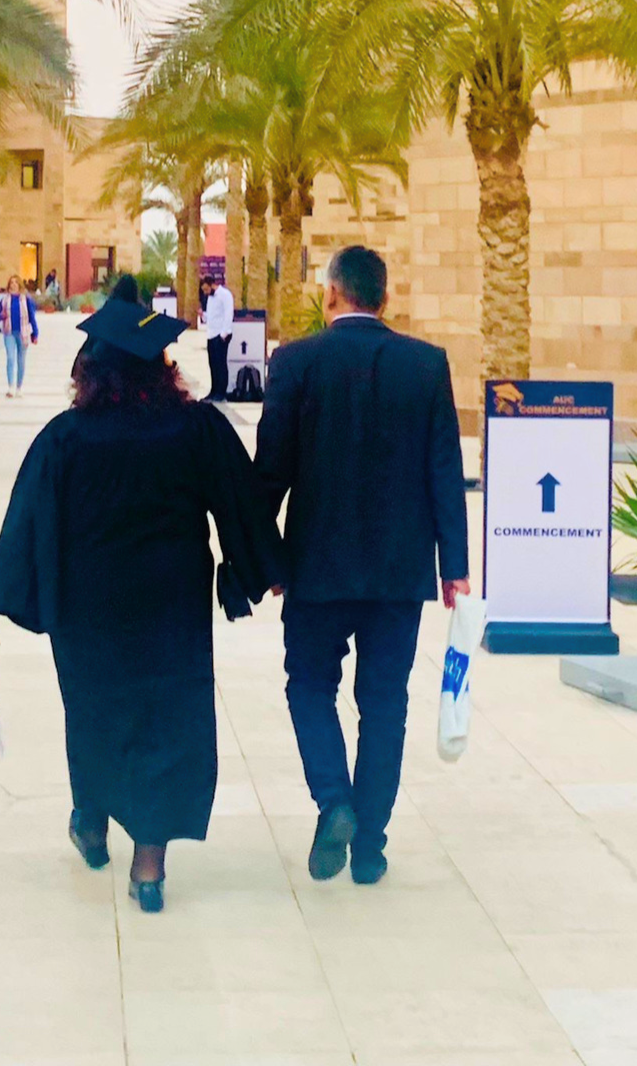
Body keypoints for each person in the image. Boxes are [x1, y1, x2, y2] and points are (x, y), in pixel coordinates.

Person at [0, 299, 285, 914]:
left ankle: (90, 820)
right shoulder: (197, 429)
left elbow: (24, 521)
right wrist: (268, 569)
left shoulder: (65, 437)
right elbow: (239, 501)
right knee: (166, 720)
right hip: (171, 605)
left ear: (92, 369)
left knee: (95, 714)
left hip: (91, 610)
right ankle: (148, 864)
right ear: (160, 368)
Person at [255, 246, 469, 886]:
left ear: (330, 296)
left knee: (308, 686)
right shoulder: (426, 365)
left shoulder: (295, 362)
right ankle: (370, 845)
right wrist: (453, 566)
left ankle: (334, 803)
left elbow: (272, 472)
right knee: (384, 705)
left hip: (316, 568)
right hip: (400, 573)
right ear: (383, 298)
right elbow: (444, 471)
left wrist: (261, 556)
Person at [0, 274, 39, 398]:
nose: (13, 284)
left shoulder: (26, 300)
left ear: (19, 285)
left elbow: (32, 317)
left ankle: (19, 387)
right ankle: (10, 387)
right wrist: (2, 315)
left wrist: (35, 333)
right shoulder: (4, 300)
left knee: (21, 360)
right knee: (10, 358)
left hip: (23, 333)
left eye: (16, 282)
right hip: (9, 332)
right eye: (11, 282)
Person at [202, 275, 234, 402]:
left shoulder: (225, 295)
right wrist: (203, 316)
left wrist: (223, 334)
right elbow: (212, 316)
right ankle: (213, 390)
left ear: (212, 285)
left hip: (221, 335)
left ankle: (221, 392)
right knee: (212, 364)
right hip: (211, 333)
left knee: (220, 364)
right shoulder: (210, 298)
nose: (205, 292)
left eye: (206, 289)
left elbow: (228, 314)